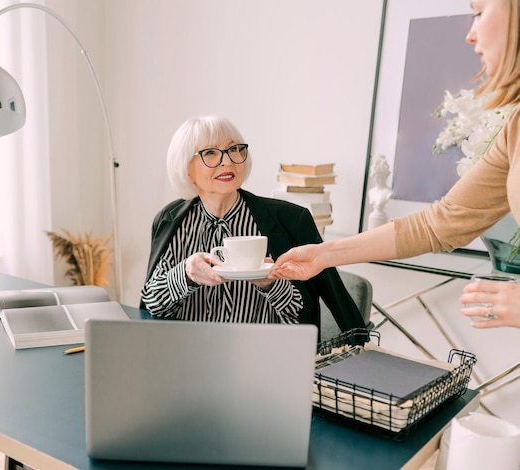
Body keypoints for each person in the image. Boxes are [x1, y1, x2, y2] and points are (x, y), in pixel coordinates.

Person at [270, 0, 520, 329]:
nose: (470, 35)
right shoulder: (515, 128)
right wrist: (323, 254)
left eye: (479, 12)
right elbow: (441, 223)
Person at [140, 115, 366, 334]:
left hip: (261, 363)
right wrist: (185, 274)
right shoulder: (169, 220)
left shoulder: (291, 220)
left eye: (234, 149)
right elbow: (152, 304)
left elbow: (303, 317)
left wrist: (271, 283)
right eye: (210, 153)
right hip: (186, 359)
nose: (228, 161)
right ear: (186, 168)